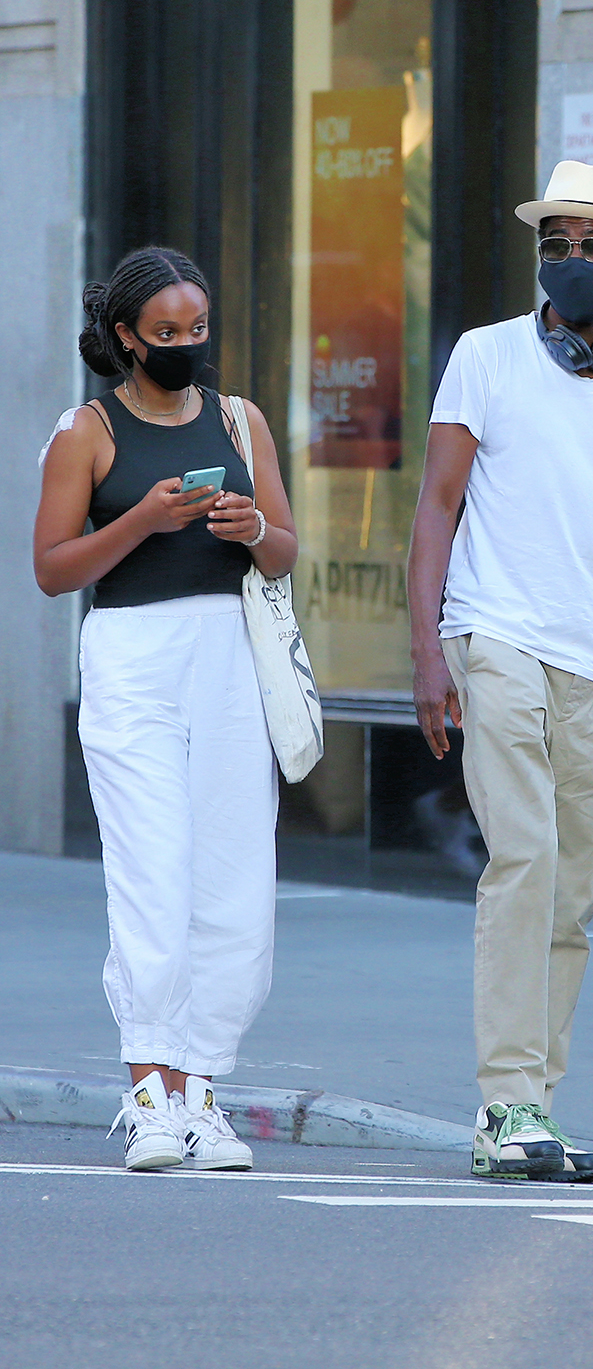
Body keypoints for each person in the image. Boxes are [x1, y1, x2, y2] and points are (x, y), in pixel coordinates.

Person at [408, 161, 593, 1182]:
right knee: (525, 860)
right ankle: (506, 1101)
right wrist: (425, 654)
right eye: (556, 244)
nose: (573, 261)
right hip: (493, 634)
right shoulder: (485, 357)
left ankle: (535, 1102)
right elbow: (436, 507)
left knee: (573, 892)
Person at [34, 246, 298, 1172]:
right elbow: (51, 568)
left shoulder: (239, 418)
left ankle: (204, 1094)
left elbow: (284, 550)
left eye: (198, 329)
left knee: (232, 885)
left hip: (228, 659)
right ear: (124, 338)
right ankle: (149, 1095)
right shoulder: (88, 430)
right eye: (167, 334)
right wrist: (144, 518)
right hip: (133, 659)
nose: (187, 344)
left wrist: (252, 526)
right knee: (153, 875)